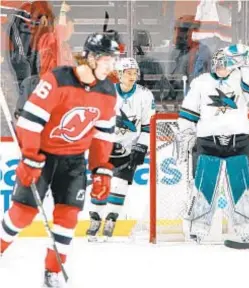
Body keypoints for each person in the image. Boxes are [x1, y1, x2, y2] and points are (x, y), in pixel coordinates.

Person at [0, 32, 119, 287]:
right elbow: (29, 121)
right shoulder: (57, 79)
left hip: (74, 161)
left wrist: (101, 169)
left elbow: (103, 134)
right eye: (108, 59)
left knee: (68, 218)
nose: (112, 65)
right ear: (91, 58)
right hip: (43, 157)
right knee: (22, 214)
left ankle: (53, 270)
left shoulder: (108, 92)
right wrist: (31, 157)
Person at [175, 44, 249, 243]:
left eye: (225, 62)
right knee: (203, 186)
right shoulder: (201, 82)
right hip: (208, 142)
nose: (220, 66)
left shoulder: (240, 78)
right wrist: (187, 131)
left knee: (242, 186)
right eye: (217, 62)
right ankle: (196, 228)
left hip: (238, 141)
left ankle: (246, 228)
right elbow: (188, 111)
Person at [86, 57, 155, 241]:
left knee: (120, 185)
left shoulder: (145, 95)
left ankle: (111, 220)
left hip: (129, 148)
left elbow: (148, 125)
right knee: (101, 183)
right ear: (118, 74)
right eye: (128, 73)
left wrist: (141, 147)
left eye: (135, 73)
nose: (133, 76)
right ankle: (94, 218)